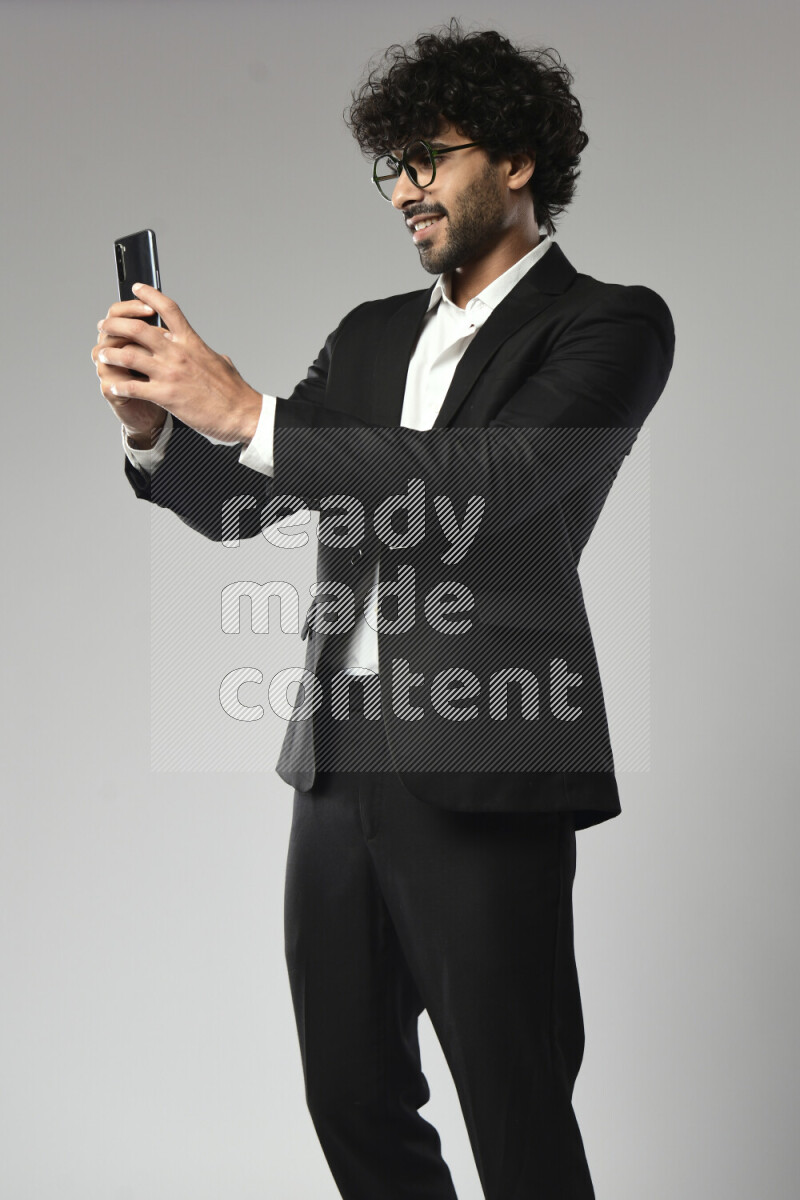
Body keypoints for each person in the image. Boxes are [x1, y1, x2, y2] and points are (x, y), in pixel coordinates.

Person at [93, 20, 675, 1199]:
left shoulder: (608, 324)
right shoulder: (369, 335)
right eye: (390, 166)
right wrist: (156, 435)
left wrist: (247, 410)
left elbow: (493, 495)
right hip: (338, 757)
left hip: (485, 749)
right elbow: (250, 504)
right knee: (348, 1096)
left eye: (430, 158)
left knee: (511, 1106)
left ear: (514, 162)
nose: (404, 189)